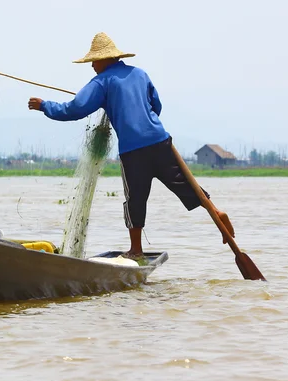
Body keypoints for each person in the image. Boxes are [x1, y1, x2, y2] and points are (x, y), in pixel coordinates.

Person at [28, 32, 234, 259]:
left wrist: (44, 106)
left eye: (94, 61)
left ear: (105, 59)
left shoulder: (101, 82)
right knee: (185, 185)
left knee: (135, 199)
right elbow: (156, 105)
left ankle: (136, 250)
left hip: (134, 151)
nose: (92, 66)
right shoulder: (139, 74)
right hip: (160, 141)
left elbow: (75, 108)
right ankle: (216, 211)